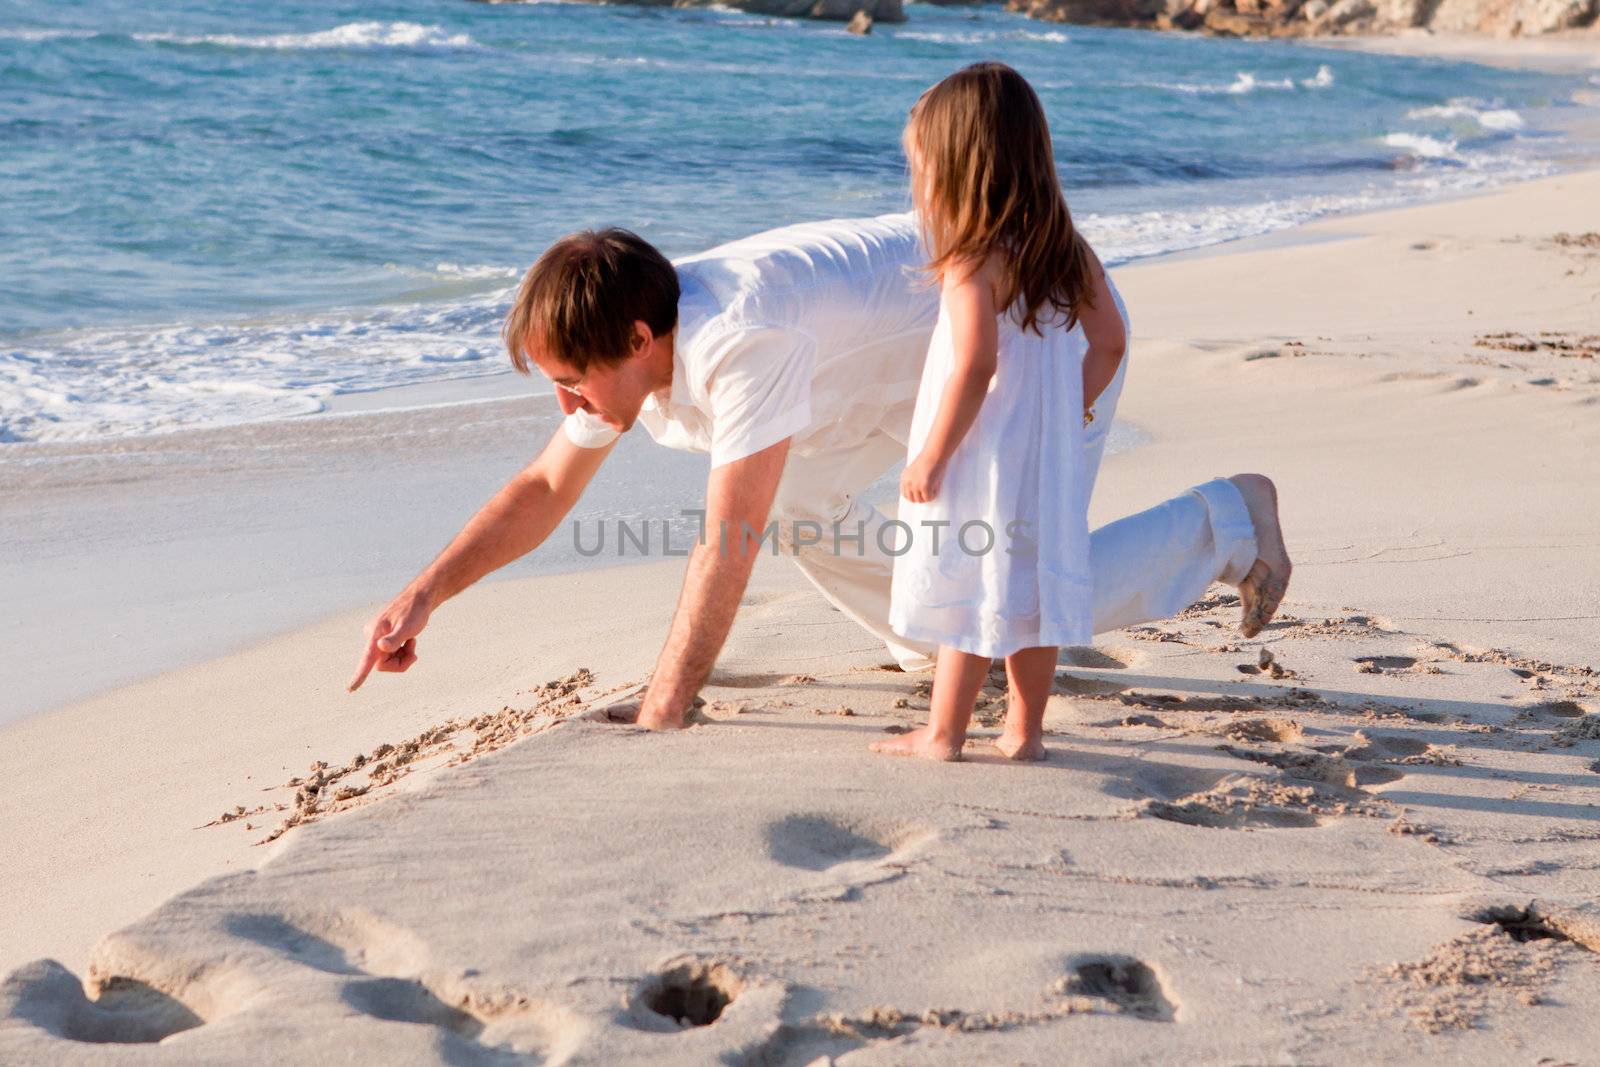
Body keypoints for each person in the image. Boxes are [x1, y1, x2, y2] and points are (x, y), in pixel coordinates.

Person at [347, 193, 1291, 732]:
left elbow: (729, 541)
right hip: (895, 378)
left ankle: (1230, 519)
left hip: (1029, 330)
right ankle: (930, 625)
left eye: (570, 382)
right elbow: (546, 485)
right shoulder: (639, 348)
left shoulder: (739, 340)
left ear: (638, 338)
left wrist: (666, 706)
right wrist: (423, 593)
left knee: (1030, 589)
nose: (566, 405)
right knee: (806, 509)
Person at [872, 62, 1126, 763]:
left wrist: (931, 453)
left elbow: (975, 365)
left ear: (957, 167)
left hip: (980, 453)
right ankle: (1024, 733)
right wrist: (1068, 413)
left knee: (967, 583)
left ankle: (943, 734)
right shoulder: (1066, 251)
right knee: (1031, 588)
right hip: (1045, 457)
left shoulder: (970, 260)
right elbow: (1111, 342)